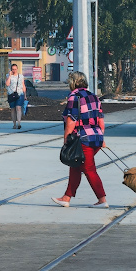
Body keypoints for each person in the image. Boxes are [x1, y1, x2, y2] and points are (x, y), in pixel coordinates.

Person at [53, 70, 107, 207]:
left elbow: (71, 121)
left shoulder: (74, 97)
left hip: (83, 139)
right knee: (76, 166)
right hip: (96, 138)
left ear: (73, 82)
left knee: (89, 169)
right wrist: (101, 138)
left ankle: (102, 199)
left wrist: (66, 140)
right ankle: (66, 198)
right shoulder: (94, 96)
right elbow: (101, 121)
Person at [5, 62, 27, 130]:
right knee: (13, 109)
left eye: (15, 69)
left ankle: (19, 123)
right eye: (13, 69)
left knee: (18, 108)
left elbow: (23, 85)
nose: (14, 70)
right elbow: (7, 84)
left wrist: (25, 95)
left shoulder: (21, 76)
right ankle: (14, 124)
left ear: (17, 69)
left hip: (19, 94)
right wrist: (10, 76)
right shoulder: (8, 76)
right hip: (11, 94)